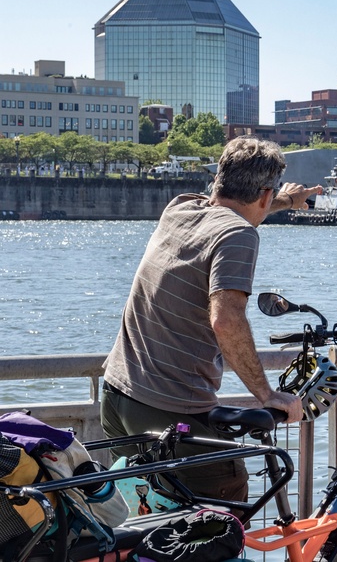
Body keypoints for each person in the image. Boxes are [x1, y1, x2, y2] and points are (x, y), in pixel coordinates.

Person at [101, 135, 322, 501]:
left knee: (147, 517)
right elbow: (226, 321)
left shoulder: (181, 208)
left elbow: (241, 207)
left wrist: (288, 201)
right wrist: (266, 394)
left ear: (220, 177)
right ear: (265, 194)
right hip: (171, 409)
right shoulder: (240, 234)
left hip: (118, 395)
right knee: (222, 513)